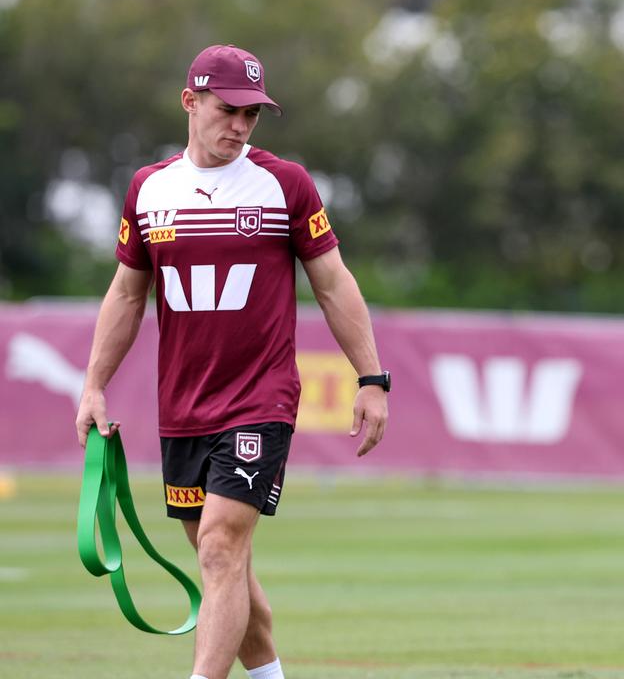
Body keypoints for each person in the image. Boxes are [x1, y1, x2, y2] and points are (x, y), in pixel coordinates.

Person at [74, 44, 391, 679]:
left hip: (260, 399)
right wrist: (93, 387)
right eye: (229, 109)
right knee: (226, 567)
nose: (241, 125)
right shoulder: (148, 190)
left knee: (220, 546)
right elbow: (127, 293)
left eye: (253, 114)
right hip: (183, 407)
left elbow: (333, 284)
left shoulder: (286, 184)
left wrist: (372, 378)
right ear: (190, 103)